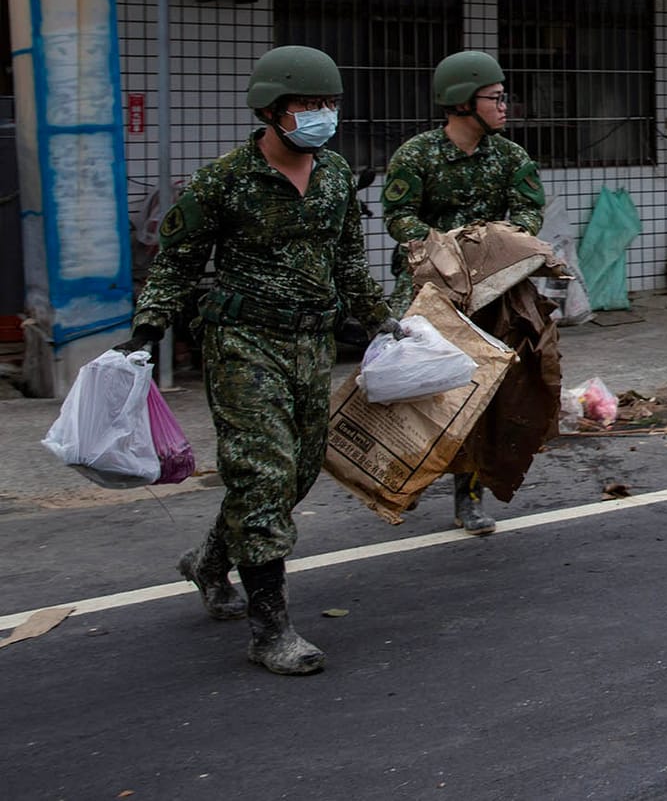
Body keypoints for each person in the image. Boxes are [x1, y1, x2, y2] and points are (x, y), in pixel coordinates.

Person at [119, 46, 390, 675]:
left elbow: (349, 261)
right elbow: (177, 264)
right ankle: (271, 630)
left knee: (293, 473)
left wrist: (382, 322)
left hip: (311, 345)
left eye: (329, 104)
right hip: (243, 342)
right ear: (271, 110)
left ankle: (210, 561)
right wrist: (146, 330)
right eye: (307, 105)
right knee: (262, 472)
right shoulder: (223, 179)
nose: (322, 116)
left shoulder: (333, 178)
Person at [381, 51, 547, 535]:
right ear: (461, 103)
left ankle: (468, 495)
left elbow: (528, 214)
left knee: (482, 393)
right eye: (494, 97)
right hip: (427, 290)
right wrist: (446, 250)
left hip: (494, 291)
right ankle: (399, 476)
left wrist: (491, 247)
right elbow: (400, 217)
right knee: (415, 388)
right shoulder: (416, 156)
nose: (504, 105)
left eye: (503, 96)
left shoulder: (511, 157)